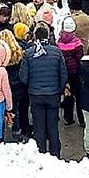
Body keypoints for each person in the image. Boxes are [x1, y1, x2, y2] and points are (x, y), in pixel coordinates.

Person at [20, 23, 67, 158]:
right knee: (53, 126)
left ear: (35, 37)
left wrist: (31, 86)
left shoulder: (29, 53)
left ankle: (41, 153)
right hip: (53, 94)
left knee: (38, 127)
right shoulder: (57, 52)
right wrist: (59, 90)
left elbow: (23, 77)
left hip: (36, 95)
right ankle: (55, 155)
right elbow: (63, 75)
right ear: (48, 36)